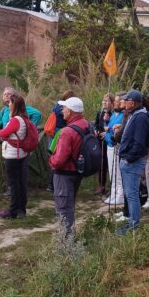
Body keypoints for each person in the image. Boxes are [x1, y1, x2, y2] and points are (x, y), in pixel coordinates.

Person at [48, 97, 89, 243]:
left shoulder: (67, 132)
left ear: (70, 111)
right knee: (69, 205)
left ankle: (67, 242)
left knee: (64, 208)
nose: (62, 110)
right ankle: (69, 238)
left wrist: (51, 161)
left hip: (64, 174)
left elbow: (59, 160)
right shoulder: (86, 125)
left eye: (64, 108)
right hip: (77, 172)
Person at [117, 90, 149, 234]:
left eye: (126, 100)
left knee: (132, 194)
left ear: (132, 102)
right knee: (129, 193)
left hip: (132, 162)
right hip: (128, 160)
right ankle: (132, 220)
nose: (123, 102)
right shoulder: (134, 115)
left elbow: (139, 143)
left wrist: (128, 158)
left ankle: (133, 224)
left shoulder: (141, 117)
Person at [0, 93, 31, 219]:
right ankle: (21, 209)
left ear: (15, 105)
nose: (8, 104)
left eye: (10, 102)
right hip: (21, 154)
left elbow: (2, 133)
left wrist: (3, 133)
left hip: (12, 156)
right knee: (21, 182)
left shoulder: (15, 120)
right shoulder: (24, 118)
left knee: (14, 183)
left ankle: (13, 211)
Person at [103, 92, 126, 205]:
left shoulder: (124, 115)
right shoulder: (113, 114)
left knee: (117, 172)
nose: (115, 103)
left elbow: (121, 129)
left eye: (117, 101)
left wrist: (113, 128)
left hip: (116, 145)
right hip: (109, 145)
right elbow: (110, 127)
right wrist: (107, 122)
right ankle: (113, 193)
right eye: (115, 101)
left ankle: (120, 195)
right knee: (111, 172)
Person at [94, 94, 114, 196]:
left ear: (112, 103)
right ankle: (101, 185)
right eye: (104, 101)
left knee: (108, 163)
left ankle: (112, 186)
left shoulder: (113, 114)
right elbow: (96, 124)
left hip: (109, 141)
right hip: (99, 140)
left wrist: (107, 122)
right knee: (101, 163)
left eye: (107, 101)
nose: (105, 103)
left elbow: (112, 126)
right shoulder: (100, 112)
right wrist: (97, 131)